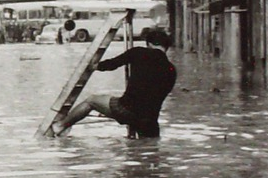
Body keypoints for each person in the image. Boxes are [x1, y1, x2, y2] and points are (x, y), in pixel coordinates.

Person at [47, 27, 177, 139]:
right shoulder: (172, 70)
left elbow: (112, 64)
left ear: (149, 44)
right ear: (166, 46)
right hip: (150, 120)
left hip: (126, 109)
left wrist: (95, 66)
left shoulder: (139, 52)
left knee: (91, 101)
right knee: (149, 150)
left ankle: (60, 126)